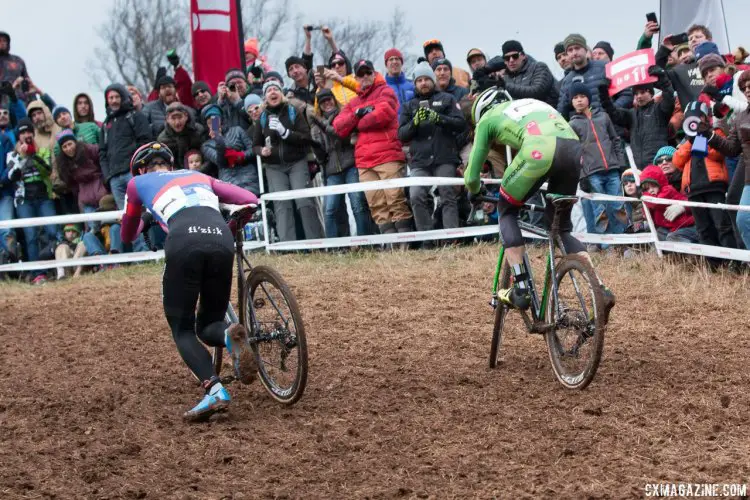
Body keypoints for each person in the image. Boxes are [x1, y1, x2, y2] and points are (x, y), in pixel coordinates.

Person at [120, 141, 259, 421]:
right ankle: (228, 336)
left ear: (141, 169)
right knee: (209, 323)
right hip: (220, 237)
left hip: (183, 240)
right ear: (171, 165)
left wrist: (145, 217)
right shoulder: (198, 176)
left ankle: (214, 389)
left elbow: (127, 234)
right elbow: (249, 198)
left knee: (182, 327)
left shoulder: (138, 184)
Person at [463, 88, 615, 312]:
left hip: (539, 151)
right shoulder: (531, 104)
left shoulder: (487, 118)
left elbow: (472, 175)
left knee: (507, 211)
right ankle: (599, 288)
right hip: (573, 150)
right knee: (561, 229)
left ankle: (522, 289)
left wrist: (474, 190)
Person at [333, 59, 414, 237]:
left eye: (368, 72)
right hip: (364, 161)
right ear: (356, 78)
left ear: (374, 73)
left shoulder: (386, 91)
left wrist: (356, 124)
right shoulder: (354, 103)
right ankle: (390, 242)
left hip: (389, 156)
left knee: (395, 199)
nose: (365, 77)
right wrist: (358, 114)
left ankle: (405, 242)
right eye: (360, 74)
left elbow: (382, 115)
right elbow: (338, 126)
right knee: (376, 203)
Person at [398, 62, 465, 236]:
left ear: (433, 80)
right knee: (416, 195)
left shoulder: (447, 99)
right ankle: (427, 237)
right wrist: (414, 123)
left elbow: (460, 124)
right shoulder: (408, 106)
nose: (423, 83)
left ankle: (452, 237)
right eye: (419, 80)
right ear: (415, 84)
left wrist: (439, 118)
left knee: (447, 194)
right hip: (420, 161)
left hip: (445, 157)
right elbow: (401, 134)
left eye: (426, 79)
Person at [252, 81, 323, 241]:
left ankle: (315, 243)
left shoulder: (293, 111)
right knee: (282, 204)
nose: (272, 92)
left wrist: (285, 133)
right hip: (274, 167)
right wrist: (262, 151)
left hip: (296, 162)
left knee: (304, 201)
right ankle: (287, 246)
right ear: (265, 97)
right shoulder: (262, 117)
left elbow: (305, 136)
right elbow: (255, 145)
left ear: (281, 93)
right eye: (269, 90)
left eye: (275, 89)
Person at [672, 102, 737, 255]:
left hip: (714, 185)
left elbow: (718, 154)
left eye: (698, 117)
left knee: (722, 224)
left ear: (706, 118)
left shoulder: (716, 132)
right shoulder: (687, 140)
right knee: (703, 228)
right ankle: (713, 264)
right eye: (690, 119)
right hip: (694, 190)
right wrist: (691, 141)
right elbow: (677, 161)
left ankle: (734, 260)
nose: (694, 122)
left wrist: (705, 136)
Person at [569, 83, 627, 244]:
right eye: (575, 98)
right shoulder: (572, 124)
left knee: (618, 207)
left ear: (588, 98)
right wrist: (582, 176)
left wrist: (620, 163)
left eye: (582, 96)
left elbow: (615, 140)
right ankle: (606, 245)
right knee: (599, 211)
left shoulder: (603, 117)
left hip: (612, 170)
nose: (579, 101)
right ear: (571, 102)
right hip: (592, 174)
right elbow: (574, 154)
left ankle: (622, 242)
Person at [309, 89, 371, 238]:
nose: (327, 103)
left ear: (334, 99)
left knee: (358, 204)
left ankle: (365, 242)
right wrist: (314, 145)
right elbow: (321, 157)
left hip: (350, 165)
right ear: (319, 106)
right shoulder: (315, 127)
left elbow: (344, 138)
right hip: (331, 171)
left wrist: (324, 125)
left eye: (329, 99)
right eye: (323, 102)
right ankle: (333, 246)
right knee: (330, 209)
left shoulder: (345, 116)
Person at [6, 118, 58, 284]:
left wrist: (33, 155)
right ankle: (38, 273)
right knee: (31, 236)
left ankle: (57, 266)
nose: (27, 135)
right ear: (18, 136)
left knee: (52, 232)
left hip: (44, 197)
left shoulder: (42, 151)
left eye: (29, 131)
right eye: (23, 133)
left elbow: (47, 171)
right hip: (24, 200)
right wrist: (21, 157)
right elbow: (11, 177)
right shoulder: (12, 155)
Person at [598, 66, 675, 168]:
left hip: (659, 165)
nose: (639, 96)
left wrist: (663, 79)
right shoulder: (631, 114)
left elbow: (669, 97)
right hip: (640, 170)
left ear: (651, 93)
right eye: (636, 94)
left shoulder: (660, 109)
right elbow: (612, 112)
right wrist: (603, 93)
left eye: (643, 92)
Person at [99, 83, 152, 209]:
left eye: (117, 97)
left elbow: (145, 141)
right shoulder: (105, 125)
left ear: (123, 97)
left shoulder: (136, 116)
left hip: (133, 174)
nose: (114, 101)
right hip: (114, 179)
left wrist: (136, 166)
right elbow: (102, 153)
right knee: (126, 218)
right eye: (110, 98)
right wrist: (108, 177)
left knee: (143, 211)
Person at [558, 34, 632, 118]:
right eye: (570, 50)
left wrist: (610, 111)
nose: (574, 53)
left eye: (577, 48)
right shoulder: (567, 81)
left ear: (585, 50)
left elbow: (627, 95)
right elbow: (561, 113)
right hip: (584, 129)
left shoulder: (605, 68)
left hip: (611, 127)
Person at [201, 104, 258, 195]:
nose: (213, 124)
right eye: (210, 122)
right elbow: (221, 162)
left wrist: (241, 156)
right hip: (229, 181)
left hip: (249, 177)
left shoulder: (237, 130)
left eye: (215, 120)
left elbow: (253, 150)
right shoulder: (207, 145)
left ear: (221, 119)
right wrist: (218, 140)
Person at [55, 130, 107, 221]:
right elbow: (71, 184)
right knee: (92, 228)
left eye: (70, 144)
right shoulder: (64, 164)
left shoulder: (89, 149)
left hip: (102, 193)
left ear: (75, 142)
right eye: (64, 146)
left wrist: (105, 183)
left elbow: (104, 160)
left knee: (107, 222)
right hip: (85, 199)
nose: (68, 148)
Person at [639, 165, 699, 243]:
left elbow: (656, 203)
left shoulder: (667, 190)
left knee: (673, 237)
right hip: (670, 227)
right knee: (656, 236)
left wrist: (643, 196)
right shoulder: (650, 199)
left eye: (653, 186)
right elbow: (650, 216)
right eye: (647, 189)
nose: (651, 191)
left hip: (687, 225)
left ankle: (692, 250)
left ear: (660, 183)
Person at [501, 40, 558, 107]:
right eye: (507, 58)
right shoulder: (506, 78)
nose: (511, 60)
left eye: (515, 56)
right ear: (504, 61)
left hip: (548, 113)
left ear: (523, 56)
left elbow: (537, 92)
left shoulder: (539, 67)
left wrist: (505, 86)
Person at [157, 102, 206, 170]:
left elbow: (207, 157)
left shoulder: (198, 130)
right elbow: (166, 164)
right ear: (167, 119)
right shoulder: (163, 139)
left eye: (180, 117)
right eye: (173, 118)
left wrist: (201, 170)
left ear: (186, 116)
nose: (177, 122)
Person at [384, 48, 414, 113]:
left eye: (397, 59)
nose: (394, 62)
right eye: (391, 59)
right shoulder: (381, 88)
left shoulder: (413, 85)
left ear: (401, 63)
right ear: (386, 64)